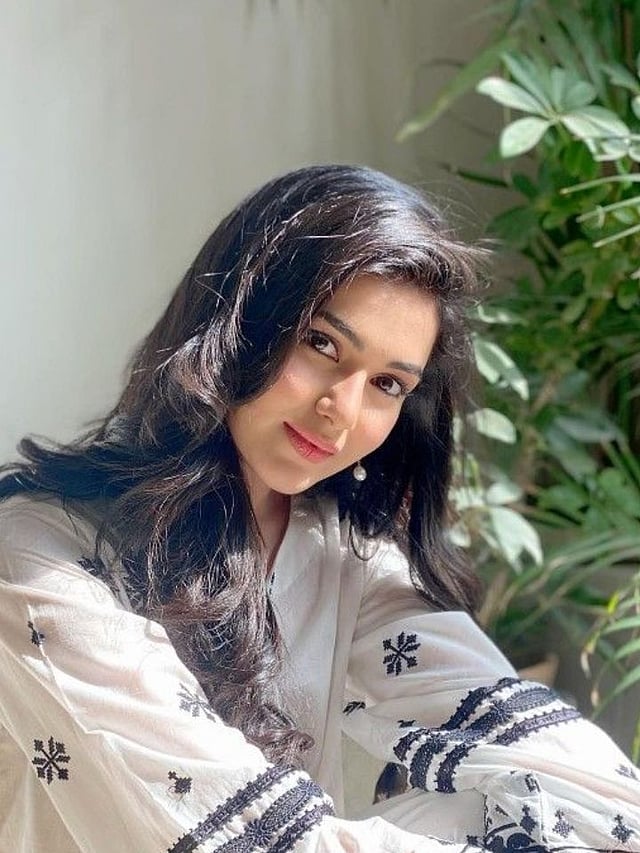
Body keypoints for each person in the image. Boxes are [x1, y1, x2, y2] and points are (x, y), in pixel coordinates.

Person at [0, 164, 638, 853]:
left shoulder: (343, 556)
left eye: (387, 384)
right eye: (322, 343)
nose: (342, 408)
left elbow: (567, 766)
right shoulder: (38, 559)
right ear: (239, 321)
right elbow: (248, 841)